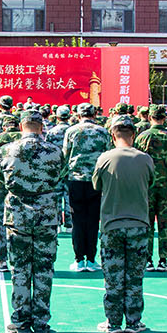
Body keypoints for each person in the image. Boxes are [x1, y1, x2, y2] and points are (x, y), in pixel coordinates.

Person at [0, 111, 65, 333]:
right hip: (46, 216)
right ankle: (41, 320)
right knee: (44, 269)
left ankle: (21, 319)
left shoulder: (7, 150)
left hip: (18, 216)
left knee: (20, 269)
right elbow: (60, 177)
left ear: (21, 126)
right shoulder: (55, 151)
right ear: (41, 126)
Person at [92, 113, 155, 333]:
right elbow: (150, 182)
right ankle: (134, 321)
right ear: (134, 134)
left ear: (112, 135)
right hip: (138, 222)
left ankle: (113, 321)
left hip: (112, 223)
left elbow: (96, 185)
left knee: (113, 276)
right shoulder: (145, 159)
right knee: (135, 276)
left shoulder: (105, 158)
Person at [62, 104, 110, 272]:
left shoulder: (71, 131)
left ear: (78, 115)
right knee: (93, 220)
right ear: (94, 114)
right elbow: (107, 154)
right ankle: (91, 258)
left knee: (77, 220)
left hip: (75, 179)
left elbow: (65, 155)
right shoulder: (103, 131)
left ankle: (79, 259)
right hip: (95, 180)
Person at [134, 106, 167, 271]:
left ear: (150, 118)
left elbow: (136, 160)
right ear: (164, 118)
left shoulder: (142, 137)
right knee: (165, 222)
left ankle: (147, 258)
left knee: (146, 221)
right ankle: (163, 259)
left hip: (147, 185)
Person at [0, 111, 23, 271]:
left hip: (1, 183)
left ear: (4, 126)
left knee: (1, 220)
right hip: (22, 184)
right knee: (21, 220)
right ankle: (19, 257)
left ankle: (2, 260)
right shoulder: (23, 138)